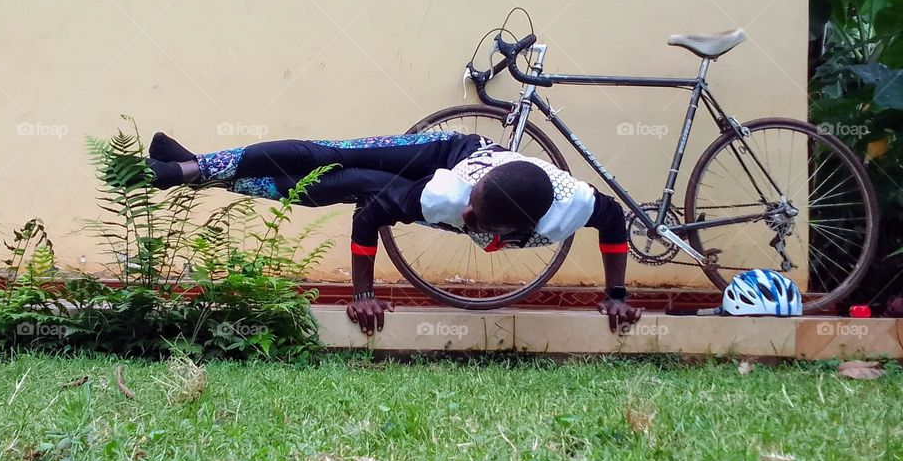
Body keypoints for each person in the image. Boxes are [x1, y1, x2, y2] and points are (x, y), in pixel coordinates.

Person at [130, 130, 642, 335]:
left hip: (483, 193)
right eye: (471, 210)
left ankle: (201, 173)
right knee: (333, 161)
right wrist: (362, 293)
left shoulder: (574, 208)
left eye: (478, 225)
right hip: (449, 152)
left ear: (516, 232)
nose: (467, 221)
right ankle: (190, 170)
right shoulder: (448, 195)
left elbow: (616, 221)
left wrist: (616, 295)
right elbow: (369, 216)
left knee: (334, 188)